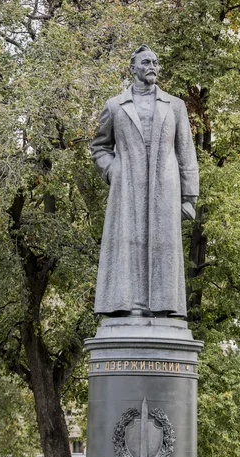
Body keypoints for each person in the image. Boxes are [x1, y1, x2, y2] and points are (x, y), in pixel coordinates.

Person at [91, 45, 199, 317]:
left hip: (166, 186)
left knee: (163, 245)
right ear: (133, 68)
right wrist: (112, 170)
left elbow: (186, 151)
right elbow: (99, 147)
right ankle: (126, 305)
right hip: (127, 186)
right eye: (146, 62)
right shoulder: (115, 106)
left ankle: (164, 307)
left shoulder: (175, 106)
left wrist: (189, 197)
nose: (152, 66)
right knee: (128, 243)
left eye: (155, 62)